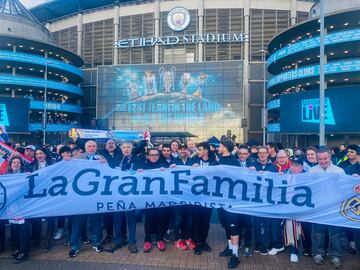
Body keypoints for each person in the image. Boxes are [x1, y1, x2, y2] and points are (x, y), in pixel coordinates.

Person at [309, 147, 345, 269]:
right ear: (317, 158)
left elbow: (345, 188)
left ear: (330, 157)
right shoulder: (312, 171)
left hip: (334, 207)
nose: (323, 161)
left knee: (336, 233)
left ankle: (336, 256)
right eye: (320, 159)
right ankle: (318, 253)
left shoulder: (339, 171)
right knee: (318, 232)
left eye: (325, 158)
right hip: (318, 207)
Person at [68, 140, 105, 258]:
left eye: (93, 146)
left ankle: (97, 242)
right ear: (85, 148)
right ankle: (74, 246)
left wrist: (105, 164)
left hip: (96, 195)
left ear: (96, 147)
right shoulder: (77, 158)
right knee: (78, 221)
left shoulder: (101, 158)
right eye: (89, 146)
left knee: (96, 221)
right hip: (80, 196)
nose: (91, 148)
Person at [136, 148, 169, 253]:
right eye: (151, 155)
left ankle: (159, 239)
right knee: (148, 220)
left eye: (156, 155)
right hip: (148, 199)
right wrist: (138, 173)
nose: (154, 156)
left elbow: (173, 176)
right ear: (148, 156)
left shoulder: (164, 166)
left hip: (161, 199)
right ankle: (148, 240)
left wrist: (169, 170)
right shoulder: (143, 167)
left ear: (159, 156)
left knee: (161, 219)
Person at [217, 139, 242, 268]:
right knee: (226, 225)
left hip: (231, 200)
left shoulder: (234, 161)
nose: (218, 147)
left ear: (225, 147)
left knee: (233, 227)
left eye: (220, 146)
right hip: (220, 199)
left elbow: (239, 179)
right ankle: (230, 248)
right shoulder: (219, 159)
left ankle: (235, 255)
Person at [190, 142, 218, 255]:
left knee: (206, 221)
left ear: (206, 150)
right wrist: (191, 168)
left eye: (200, 149)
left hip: (208, 197)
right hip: (195, 197)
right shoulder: (193, 161)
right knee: (196, 220)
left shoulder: (215, 163)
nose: (198, 151)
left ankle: (203, 241)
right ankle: (198, 243)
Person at [250, 146, 278, 255]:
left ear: (267, 154)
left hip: (267, 200)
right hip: (256, 199)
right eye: (260, 153)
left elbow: (277, 182)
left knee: (267, 223)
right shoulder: (253, 165)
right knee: (256, 222)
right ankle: (258, 243)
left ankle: (265, 244)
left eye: (264, 153)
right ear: (258, 154)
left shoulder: (272, 167)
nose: (262, 155)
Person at [27, 147, 55, 251]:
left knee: (51, 218)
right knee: (36, 217)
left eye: (41, 153)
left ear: (45, 154)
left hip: (51, 194)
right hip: (37, 195)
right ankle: (36, 240)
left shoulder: (53, 165)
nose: (38, 155)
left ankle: (48, 241)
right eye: (37, 153)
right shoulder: (31, 166)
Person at [6, 157, 30, 263]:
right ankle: (17, 249)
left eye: (18, 162)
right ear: (10, 164)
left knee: (24, 230)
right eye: (14, 162)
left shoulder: (26, 175)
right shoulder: (6, 176)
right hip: (12, 207)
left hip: (23, 206)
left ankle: (24, 252)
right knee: (14, 230)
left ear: (21, 164)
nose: (16, 164)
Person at [172, 144, 195, 251]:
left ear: (187, 150)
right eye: (180, 149)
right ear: (178, 150)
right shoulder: (173, 161)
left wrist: (197, 168)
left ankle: (187, 237)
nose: (182, 151)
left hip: (189, 196)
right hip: (177, 196)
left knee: (189, 220)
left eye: (184, 149)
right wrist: (168, 169)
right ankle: (177, 238)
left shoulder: (192, 161)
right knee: (178, 219)